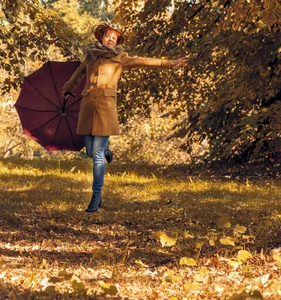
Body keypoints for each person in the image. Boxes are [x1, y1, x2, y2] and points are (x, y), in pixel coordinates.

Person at [62, 23, 189, 213]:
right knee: (90, 151)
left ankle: (96, 195)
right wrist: (67, 89)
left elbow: (143, 61)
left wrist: (169, 63)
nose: (110, 39)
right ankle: (106, 150)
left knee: (96, 156)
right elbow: (78, 75)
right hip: (88, 105)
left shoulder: (120, 58)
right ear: (101, 38)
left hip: (106, 106)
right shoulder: (90, 56)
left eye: (114, 37)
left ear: (117, 41)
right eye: (107, 36)